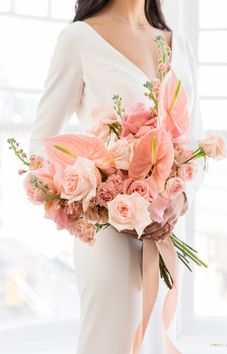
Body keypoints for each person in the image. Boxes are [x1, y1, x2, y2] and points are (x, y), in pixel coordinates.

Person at [29, 1, 204, 353]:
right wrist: (102, 202)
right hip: (109, 236)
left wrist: (180, 200)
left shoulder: (178, 44)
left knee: (156, 341)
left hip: (165, 231)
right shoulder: (79, 39)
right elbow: (40, 145)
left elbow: (196, 144)